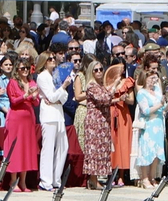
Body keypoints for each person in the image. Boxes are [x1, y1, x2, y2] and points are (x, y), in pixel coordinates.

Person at [3, 55, 39, 191]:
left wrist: (34, 97)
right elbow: (13, 101)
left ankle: (23, 181)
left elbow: (36, 103)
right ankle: (13, 181)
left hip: (28, 119)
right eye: (22, 68)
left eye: (27, 68)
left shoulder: (32, 82)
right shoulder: (13, 82)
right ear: (17, 70)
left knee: (26, 149)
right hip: (16, 119)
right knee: (16, 149)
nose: (25, 70)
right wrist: (25, 95)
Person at [77, 59, 113, 190]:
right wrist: (114, 86)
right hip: (94, 121)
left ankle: (97, 177)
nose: (99, 72)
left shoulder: (101, 85)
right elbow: (104, 99)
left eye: (101, 69)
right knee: (94, 150)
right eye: (95, 70)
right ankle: (93, 179)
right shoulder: (91, 86)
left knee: (102, 148)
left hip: (103, 121)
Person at [36, 53, 69, 192]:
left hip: (59, 114)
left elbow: (64, 98)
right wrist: (63, 88)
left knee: (63, 147)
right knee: (48, 148)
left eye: (53, 58)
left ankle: (56, 179)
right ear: (44, 62)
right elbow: (51, 96)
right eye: (49, 59)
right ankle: (46, 181)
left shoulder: (56, 75)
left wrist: (59, 93)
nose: (52, 61)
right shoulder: (42, 76)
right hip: (49, 115)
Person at [134, 68, 168, 188]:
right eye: (151, 78)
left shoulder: (157, 90)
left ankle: (152, 177)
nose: (154, 80)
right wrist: (160, 104)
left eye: (155, 78)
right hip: (148, 124)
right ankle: (144, 178)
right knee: (147, 151)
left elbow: (163, 107)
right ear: (145, 79)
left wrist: (167, 103)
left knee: (157, 152)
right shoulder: (141, 93)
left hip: (158, 124)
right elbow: (146, 110)